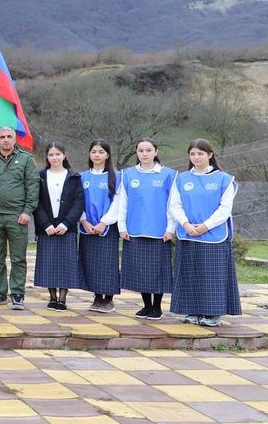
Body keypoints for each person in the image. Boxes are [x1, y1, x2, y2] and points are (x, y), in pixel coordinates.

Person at [169, 139, 239, 327]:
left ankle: (213, 314)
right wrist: (185, 224)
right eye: (192, 154)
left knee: (212, 276)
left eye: (200, 153)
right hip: (188, 233)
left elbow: (225, 210)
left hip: (214, 235)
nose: (196, 157)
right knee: (190, 274)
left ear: (210, 155)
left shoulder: (225, 179)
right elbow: (175, 205)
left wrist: (205, 226)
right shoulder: (181, 178)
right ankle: (192, 311)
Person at [0, 127, 39, 310]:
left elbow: (33, 187)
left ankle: (18, 294)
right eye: (2, 137)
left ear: (15, 139)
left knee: (18, 258)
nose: (5, 140)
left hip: (17, 216)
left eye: (9, 137)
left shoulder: (26, 160)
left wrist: (27, 211)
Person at [118, 138, 176, 319]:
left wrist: (171, 229)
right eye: (141, 150)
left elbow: (172, 204)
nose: (145, 154)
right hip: (134, 229)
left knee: (158, 271)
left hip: (160, 232)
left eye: (149, 150)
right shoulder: (128, 174)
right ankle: (146, 305)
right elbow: (123, 203)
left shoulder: (169, 175)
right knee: (140, 271)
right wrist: (122, 227)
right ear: (136, 153)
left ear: (156, 152)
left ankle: (157, 306)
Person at [33, 142, 85, 311]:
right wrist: (45, 223)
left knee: (66, 263)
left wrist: (66, 223)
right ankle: (52, 297)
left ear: (64, 155)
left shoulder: (74, 176)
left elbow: (78, 203)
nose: (54, 158)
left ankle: (62, 299)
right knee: (48, 262)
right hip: (46, 228)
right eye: (51, 155)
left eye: (58, 154)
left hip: (66, 227)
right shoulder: (40, 176)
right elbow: (37, 202)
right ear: (46, 157)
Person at [79, 140, 122, 313]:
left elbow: (118, 203)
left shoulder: (117, 176)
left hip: (108, 227)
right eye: (94, 151)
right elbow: (78, 202)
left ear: (107, 155)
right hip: (87, 227)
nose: (97, 155)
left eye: (101, 152)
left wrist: (104, 222)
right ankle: (97, 297)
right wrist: (83, 221)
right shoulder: (82, 177)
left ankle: (109, 299)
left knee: (108, 263)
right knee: (91, 262)